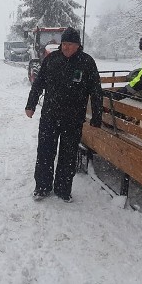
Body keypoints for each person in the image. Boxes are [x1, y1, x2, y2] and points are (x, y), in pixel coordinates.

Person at [25, 27, 103, 202]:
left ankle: (63, 189)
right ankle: (42, 187)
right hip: (50, 116)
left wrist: (97, 116)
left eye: (70, 44)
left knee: (68, 155)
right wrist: (31, 105)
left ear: (78, 45)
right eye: (64, 44)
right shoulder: (52, 60)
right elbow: (38, 84)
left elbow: (96, 91)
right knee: (45, 152)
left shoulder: (87, 63)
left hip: (73, 118)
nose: (66, 47)